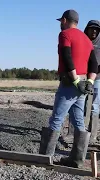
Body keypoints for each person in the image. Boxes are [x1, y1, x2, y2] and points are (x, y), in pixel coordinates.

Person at [39, 10, 98, 168]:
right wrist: (89, 82)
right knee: (79, 120)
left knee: (56, 119)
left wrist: (75, 80)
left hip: (69, 83)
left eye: (61, 21)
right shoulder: (87, 39)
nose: (60, 24)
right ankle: (77, 160)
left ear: (65, 20)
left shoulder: (65, 34)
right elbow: (94, 64)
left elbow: (67, 56)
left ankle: (45, 159)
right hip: (83, 85)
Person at [84, 20, 100, 143]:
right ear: (87, 29)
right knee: (78, 104)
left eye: (96, 29)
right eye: (92, 28)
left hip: (98, 78)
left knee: (94, 105)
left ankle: (93, 135)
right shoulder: (83, 40)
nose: (94, 31)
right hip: (82, 77)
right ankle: (74, 133)